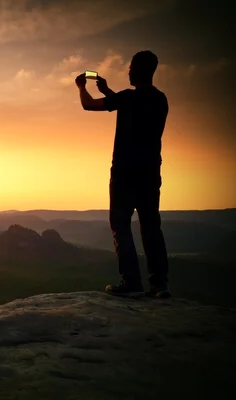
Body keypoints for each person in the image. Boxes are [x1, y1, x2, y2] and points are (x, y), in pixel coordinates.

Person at [74, 50, 171, 299]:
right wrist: (108, 91)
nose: (127, 71)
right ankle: (160, 286)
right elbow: (133, 107)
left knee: (121, 224)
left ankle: (131, 281)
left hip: (125, 172)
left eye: (129, 67)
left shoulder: (127, 98)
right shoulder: (160, 99)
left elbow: (88, 105)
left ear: (136, 70)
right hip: (150, 171)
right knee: (151, 226)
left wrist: (81, 87)